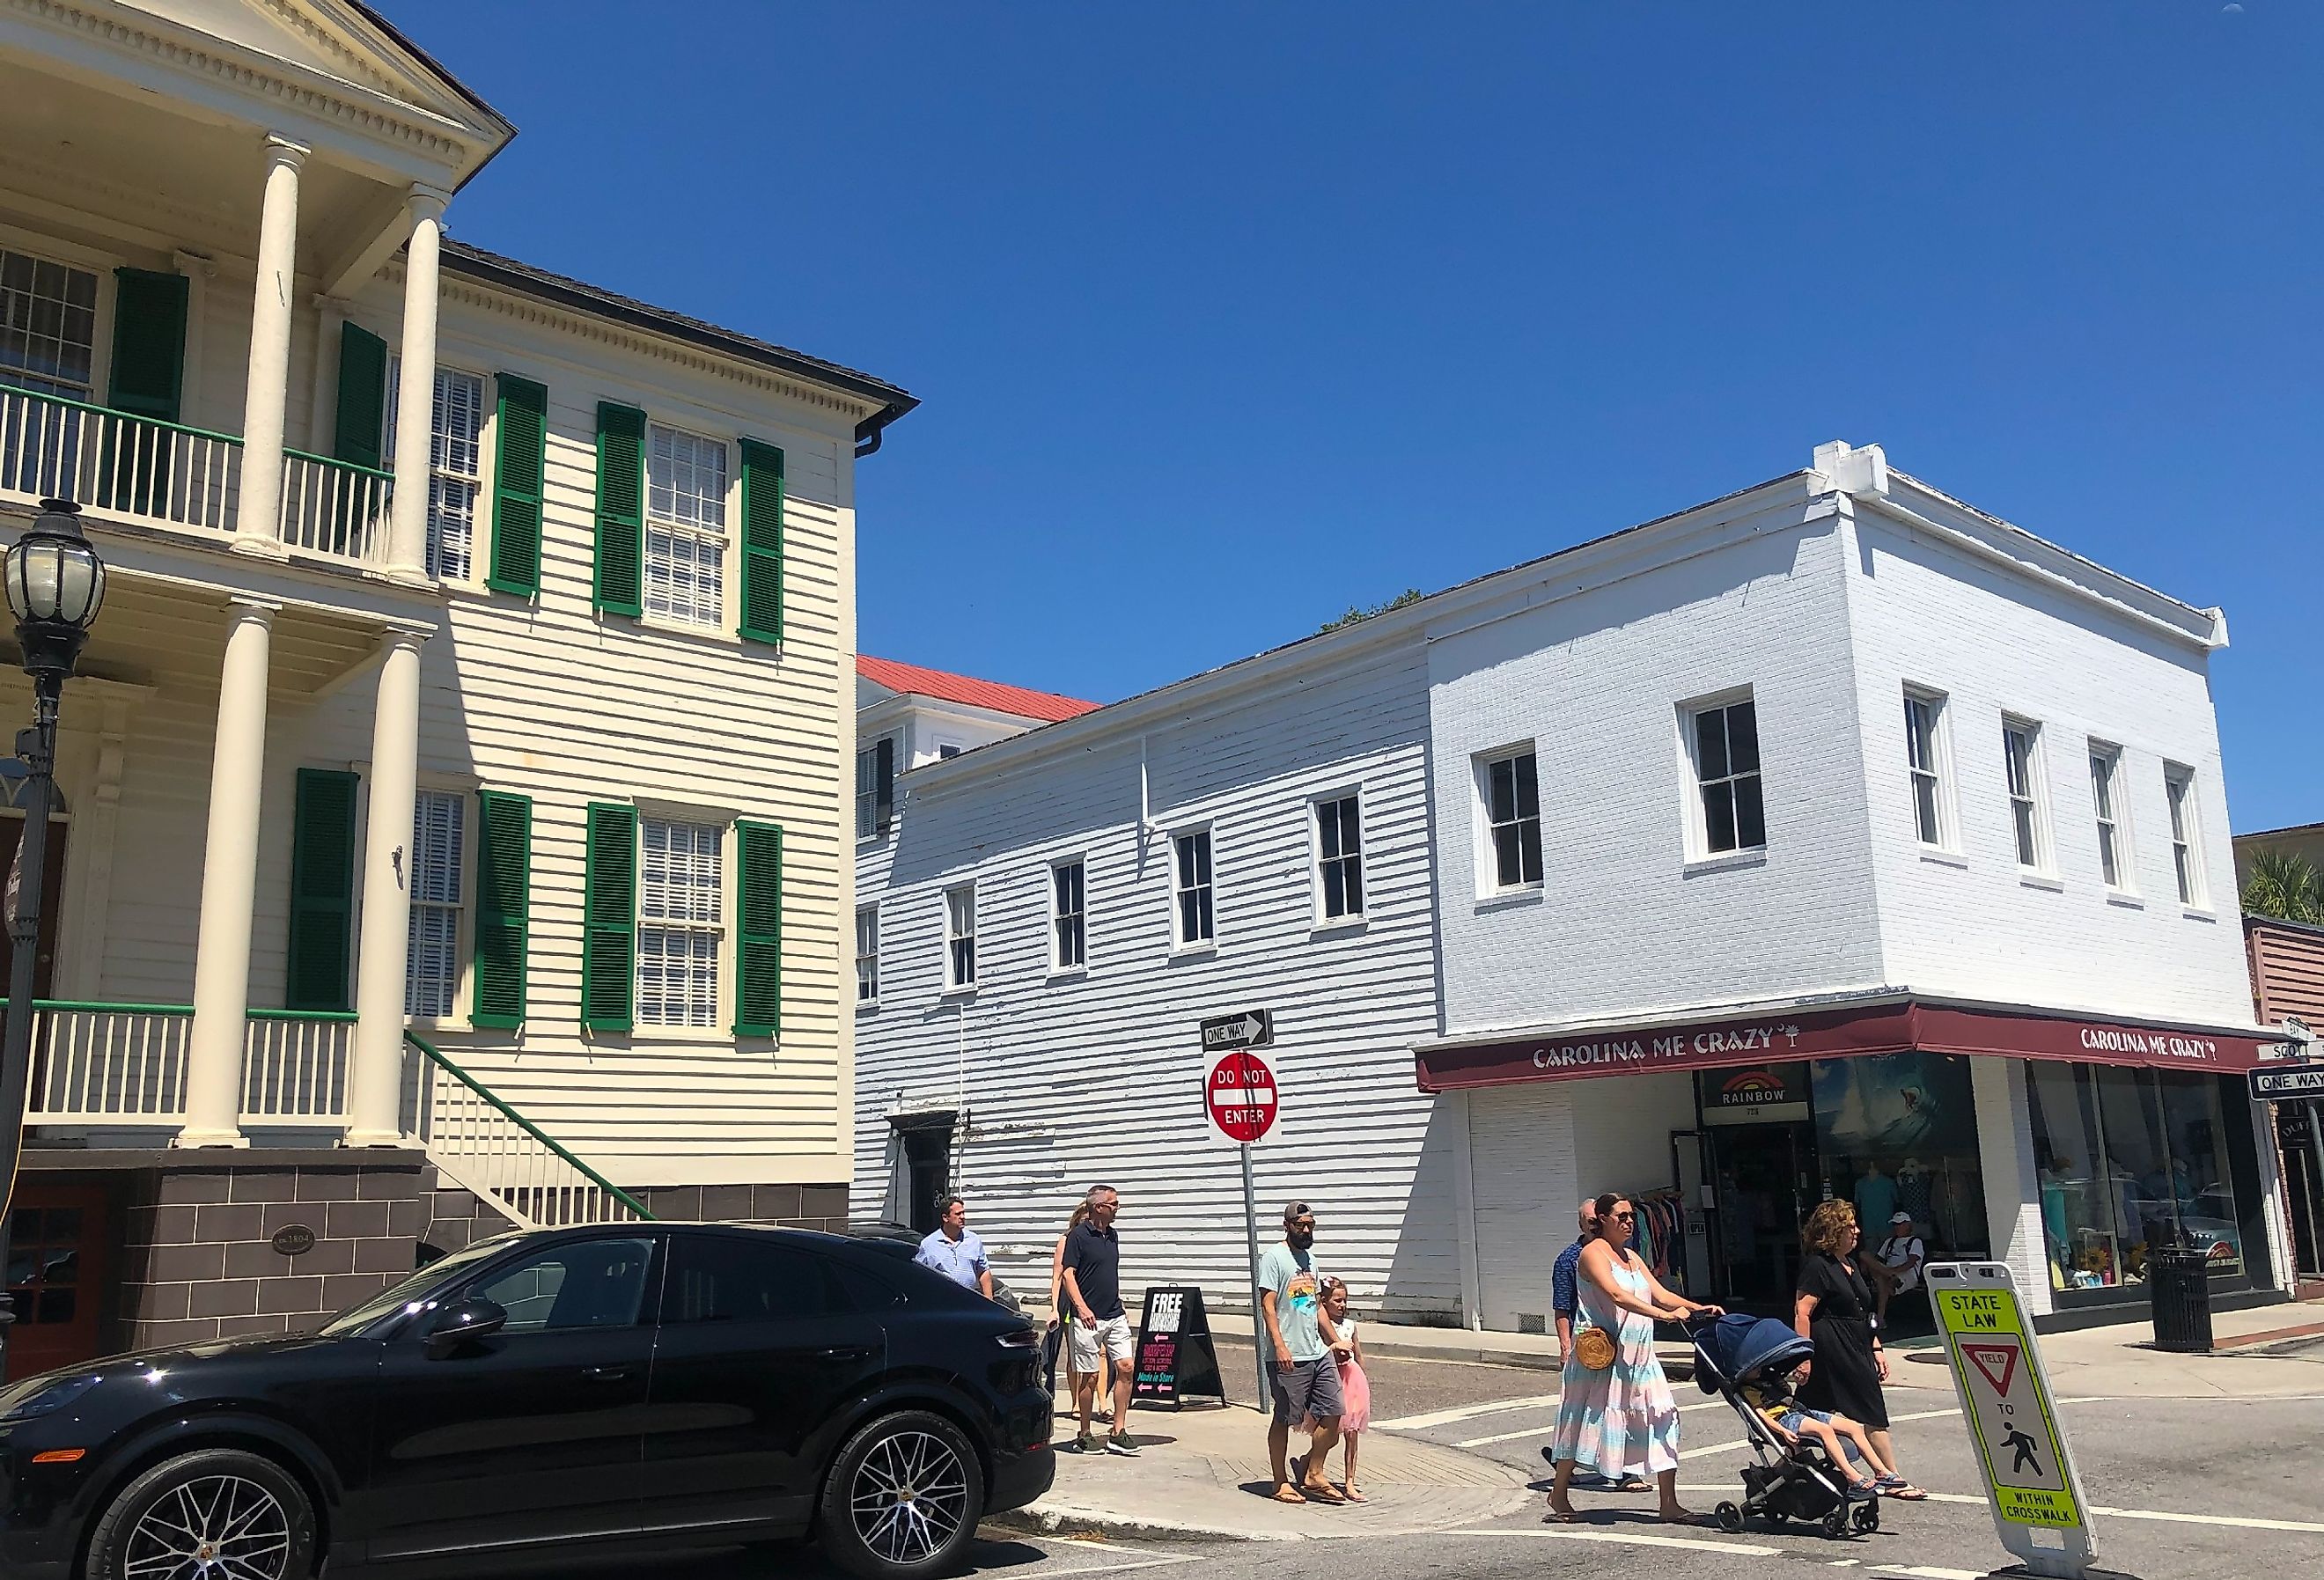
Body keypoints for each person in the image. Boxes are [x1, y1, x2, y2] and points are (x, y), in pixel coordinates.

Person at [1545, 1193, 1722, 1525]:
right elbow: (1616, 1294)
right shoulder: (1591, 1254)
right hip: (1602, 1358)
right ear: (1603, 1219)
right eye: (1622, 1216)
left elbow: (1662, 1292)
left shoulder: (1632, 1256)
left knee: (1663, 1418)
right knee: (1582, 1421)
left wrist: (1698, 1308)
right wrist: (1663, 1316)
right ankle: (1559, 1493)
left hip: (1640, 1355)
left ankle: (1668, 1503)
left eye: (1630, 1216)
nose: (1629, 1221)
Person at [1795, 1200, 1927, 1500]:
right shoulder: (1818, 1266)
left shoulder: (1850, 1265)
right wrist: (1803, 1356)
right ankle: (1892, 1478)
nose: (1857, 1231)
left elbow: (1862, 1312)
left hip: (1856, 1343)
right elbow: (1802, 1311)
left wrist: (1877, 1347)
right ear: (1832, 1231)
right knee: (1871, 1409)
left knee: (1809, 1413)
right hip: (1832, 1349)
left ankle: (1785, 1469)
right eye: (1849, 1227)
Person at [1261, 1200, 1344, 1504]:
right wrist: (1280, 1344)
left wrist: (1335, 1341)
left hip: (1317, 1351)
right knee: (1284, 1417)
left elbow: (1315, 1305)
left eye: (1310, 1225)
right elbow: (1268, 1305)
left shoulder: (1310, 1259)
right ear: (1287, 1226)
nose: (1306, 1230)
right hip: (1288, 1355)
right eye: (1300, 1225)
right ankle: (1279, 1481)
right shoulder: (1274, 1258)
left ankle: (1313, 1473)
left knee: (1334, 1411)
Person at [1062, 1185, 1139, 1456]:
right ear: (1098, 1207)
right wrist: (1081, 1308)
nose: (1117, 1208)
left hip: (1114, 1313)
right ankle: (1084, 1432)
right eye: (1113, 1204)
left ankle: (1118, 1431)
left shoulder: (1113, 1235)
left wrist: (1121, 1305)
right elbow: (1067, 1275)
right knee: (1090, 1376)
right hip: (1087, 1317)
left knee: (1127, 1367)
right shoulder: (1078, 1237)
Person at [1738, 1361, 1887, 1500]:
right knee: (1825, 1430)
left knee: (1853, 1426)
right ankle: (1852, 1478)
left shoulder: (1769, 1377)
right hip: (1783, 1419)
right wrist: (1783, 1431)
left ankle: (1882, 1472)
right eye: (1753, 1368)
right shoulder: (1749, 1388)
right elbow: (1762, 1416)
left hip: (1798, 1411)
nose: (1758, 1369)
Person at [1320, 1277, 1371, 1502]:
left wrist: (1363, 1377)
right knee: (1329, 1434)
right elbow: (1318, 1350)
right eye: (1337, 1300)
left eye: (1344, 1301)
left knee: (1352, 1433)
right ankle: (1309, 1463)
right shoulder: (1320, 1324)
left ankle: (1349, 1482)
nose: (1342, 1305)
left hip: (1351, 1378)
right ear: (1324, 1302)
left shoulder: (1350, 1325)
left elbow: (1358, 1355)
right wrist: (1333, 1346)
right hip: (1330, 1377)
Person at [1043, 1202, 1093, 1402]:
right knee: (1075, 1352)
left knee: (1100, 1354)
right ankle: (1076, 1401)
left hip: (1094, 1299)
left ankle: (1102, 1402)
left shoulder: (1101, 1238)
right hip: (1070, 1303)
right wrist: (1054, 1308)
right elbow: (1057, 1276)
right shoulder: (1066, 1240)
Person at [914, 1195, 994, 1297]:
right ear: (945, 1218)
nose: (963, 1217)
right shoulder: (928, 1244)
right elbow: (918, 1275)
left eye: (963, 1213)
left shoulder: (974, 1240)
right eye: (958, 1214)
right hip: (942, 1303)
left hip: (970, 1301)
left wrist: (989, 1300)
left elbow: (983, 1271)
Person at [1864, 1210, 1925, 1327]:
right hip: (1887, 1272)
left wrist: (1894, 1271)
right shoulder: (1889, 1241)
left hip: (1905, 1275)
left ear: (1908, 1225)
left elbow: (1911, 1263)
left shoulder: (1915, 1241)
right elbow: (1877, 1259)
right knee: (1864, 1255)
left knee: (1883, 1280)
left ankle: (1880, 1318)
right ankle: (1880, 1319)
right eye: (1895, 1225)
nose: (1897, 1227)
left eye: (1900, 1224)